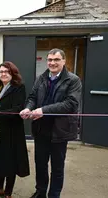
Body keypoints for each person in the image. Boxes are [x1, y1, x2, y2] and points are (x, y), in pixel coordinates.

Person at [20, 48, 82, 198]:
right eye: (50, 60)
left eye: (56, 60)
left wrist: (43, 110)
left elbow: (70, 104)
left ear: (64, 61)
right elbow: (33, 97)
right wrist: (28, 108)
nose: (52, 63)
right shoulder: (41, 78)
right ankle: (40, 192)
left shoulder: (73, 80)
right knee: (41, 165)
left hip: (59, 131)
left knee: (57, 167)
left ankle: (54, 195)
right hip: (41, 130)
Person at [0, 61, 30, 198]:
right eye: (1, 72)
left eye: (6, 72)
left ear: (12, 73)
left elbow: (16, 110)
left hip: (12, 131)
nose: (3, 74)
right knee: (2, 161)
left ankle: (8, 192)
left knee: (11, 163)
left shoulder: (18, 87)